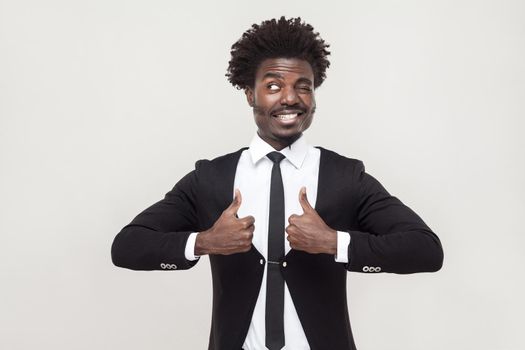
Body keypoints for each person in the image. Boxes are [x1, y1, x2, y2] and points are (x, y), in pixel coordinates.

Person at [111, 16, 444, 350]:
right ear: (249, 94)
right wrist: (204, 241)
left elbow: (425, 250)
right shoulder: (211, 178)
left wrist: (334, 242)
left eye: (304, 86)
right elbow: (127, 246)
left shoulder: (345, 177)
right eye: (273, 86)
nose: (290, 98)